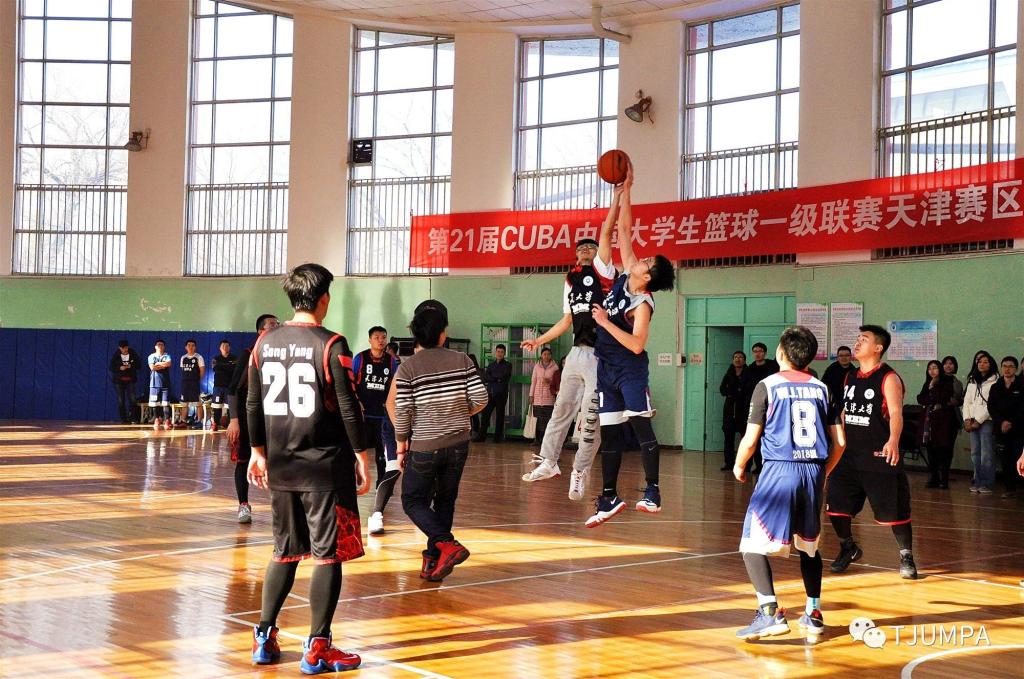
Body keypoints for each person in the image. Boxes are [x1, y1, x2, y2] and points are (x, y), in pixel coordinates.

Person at [246, 263, 371, 674]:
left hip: (281, 466)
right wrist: (362, 454)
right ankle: (317, 647)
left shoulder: (264, 343)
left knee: (284, 552)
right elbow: (349, 406)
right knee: (326, 555)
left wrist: (258, 452)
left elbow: (252, 403)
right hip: (324, 469)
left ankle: (264, 638)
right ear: (324, 299)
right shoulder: (332, 344)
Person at [732, 326, 845, 641]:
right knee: (809, 546)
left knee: (751, 545)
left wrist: (739, 465)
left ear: (780, 353)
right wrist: (824, 471)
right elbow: (840, 441)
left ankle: (769, 612)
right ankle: (813, 613)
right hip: (813, 472)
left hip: (779, 470)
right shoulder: (823, 388)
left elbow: (751, 438)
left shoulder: (767, 385)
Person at [587, 165, 676, 527]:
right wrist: (625, 192)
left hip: (630, 370)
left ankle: (653, 491)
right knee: (609, 434)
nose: (642, 258)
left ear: (649, 277)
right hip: (606, 367)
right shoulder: (626, 274)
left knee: (640, 428)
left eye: (648, 262)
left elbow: (638, 345)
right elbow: (623, 229)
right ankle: (609, 496)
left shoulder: (643, 304)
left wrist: (605, 323)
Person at [519, 202, 617, 499]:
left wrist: (617, 198)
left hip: (600, 355)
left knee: (590, 418)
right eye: (581, 248)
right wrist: (539, 341)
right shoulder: (570, 280)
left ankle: (580, 471)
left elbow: (607, 233)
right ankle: (549, 462)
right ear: (575, 255)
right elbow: (566, 320)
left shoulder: (603, 272)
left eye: (591, 247)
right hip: (576, 354)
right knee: (560, 411)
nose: (586, 249)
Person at [388, 300, 488, 582]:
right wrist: (460, 413)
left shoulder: (407, 367)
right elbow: (481, 398)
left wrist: (400, 445)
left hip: (425, 445)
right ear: (443, 334)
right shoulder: (462, 360)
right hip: (459, 444)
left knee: (412, 500)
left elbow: (403, 411)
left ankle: (446, 544)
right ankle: (432, 560)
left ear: (415, 336)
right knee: (445, 500)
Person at [826, 324, 917, 580]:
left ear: (878, 347)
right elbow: (845, 412)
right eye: (857, 338)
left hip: (878, 456)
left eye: (863, 339)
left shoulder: (889, 377)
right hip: (849, 456)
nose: (857, 343)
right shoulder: (850, 377)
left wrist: (893, 440)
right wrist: (835, 440)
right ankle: (848, 547)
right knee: (835, 507)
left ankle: (906, 556)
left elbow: (896, 413)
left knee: (895, 512)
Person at [226, 313, 279, 523]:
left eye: (278, 324)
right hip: (248, 418)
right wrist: (233, 420)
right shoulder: (248, 354)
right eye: (272, 324)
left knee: (278, 463)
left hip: (273, 418)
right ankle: (243, 505)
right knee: (243, 461)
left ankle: (282, 507)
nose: (277, 326)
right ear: (260, 331)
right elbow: (233, 389)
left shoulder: (281, 354)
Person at [352, 325, 400, 535]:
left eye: (383, 337)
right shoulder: (360, 358)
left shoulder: (392, 361)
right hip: (364, 415)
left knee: (383, 458)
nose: (381, 340)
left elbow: (396, 387)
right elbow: (351, 383)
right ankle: (352, 486)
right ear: (370, 340)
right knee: (356, 452)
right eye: (377, 337)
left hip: (383, 416)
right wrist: (357, 402)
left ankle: (381, 494)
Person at [916, 360, 958, 489]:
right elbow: (920, 398)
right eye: (929, 369)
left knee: (944, 450)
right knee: (931, 449)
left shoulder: (946, 382)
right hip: (930, 421)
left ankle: (944, 479)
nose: (932, 371)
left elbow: (941, 398)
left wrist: (933, 388)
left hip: (944, 422)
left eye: (935, 368)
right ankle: (933, 477)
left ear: (940, 369)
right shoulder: (927, 383)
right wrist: (930, 388)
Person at [962, 351, 998, 494]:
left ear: (991, 364)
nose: (982, 364)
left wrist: (979, 420)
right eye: (980, 362)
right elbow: (967, 401)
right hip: (972, 421)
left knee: (986, 453)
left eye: (985, 362)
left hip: (987, 421)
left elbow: (992, 404)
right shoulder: (972, 381)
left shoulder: (996, 381)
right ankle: (977, 481)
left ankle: (987, 483)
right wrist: (967, 419)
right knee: (975, 453)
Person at [743, 342, 781, 474]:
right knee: (755, 436)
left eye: (760, 351)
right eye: (755, 351)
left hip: (771, 404)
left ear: (764, 353)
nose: (757, 354)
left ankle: (768, 465)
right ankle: (756, 465)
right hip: (755, 404)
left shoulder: (772, 366)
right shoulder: (749, 369)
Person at [987, 356, 1023, 499]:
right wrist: (1001, 422)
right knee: (1006, 459)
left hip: (1019, 428)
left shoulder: (1022, 385)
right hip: (1001, 428)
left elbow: (1022, 408)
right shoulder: (996, 386)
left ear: (1016, 369)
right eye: (1005, 366)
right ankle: (1009, 488)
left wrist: (1011, 422)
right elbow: (991, 407)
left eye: (1011, 366)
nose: (1007, 369)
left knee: (1019, 457)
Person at [475, 344, 512, 443]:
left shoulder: (508, 365)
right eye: (498, 351)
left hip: (501, 394)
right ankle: (481, 437)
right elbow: (486, 377)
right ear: (495, 353)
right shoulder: (491, 365)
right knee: (485, 415)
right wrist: (497, 379)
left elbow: (504, 377)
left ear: (504, 353)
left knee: (500, 416)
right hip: (491, 393)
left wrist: (493, 378)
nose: (500, 354)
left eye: (502, 352)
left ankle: (497, 438)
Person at [719, 350, 747, 472]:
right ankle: (728, 462)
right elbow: (722, 389)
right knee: (728, 438)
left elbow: (749, 389)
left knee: (745, 438)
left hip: (743, 409)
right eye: (735, 357)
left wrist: (740, 393)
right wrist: (731, 392)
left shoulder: (748, 373)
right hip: (730, 410)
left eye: (740, 357)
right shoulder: (728, 373)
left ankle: (745, 464)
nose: (737, 359)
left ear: (744, 360)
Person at [528, 347, 560, 447]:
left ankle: (546, 441)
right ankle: (537, 440)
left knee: (547, 420)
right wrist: (531, 395)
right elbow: (533, 381)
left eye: (548, 354)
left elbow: (557, 382)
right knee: (537, 419)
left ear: (551, 356)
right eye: (544, 354)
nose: (546, 356)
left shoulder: (555, 367)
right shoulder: (537, 366)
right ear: (541, 356)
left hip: (549, 397)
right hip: (537, 397)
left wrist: (550, 381)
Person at [109, 339, 142, 424]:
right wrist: (120, 368)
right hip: (119, 381)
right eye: (123, 348)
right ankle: (124, 419)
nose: (125, 350)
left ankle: (133, 417)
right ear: (119, 348)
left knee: (133, 399)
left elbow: (139, 365)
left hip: (130, 380)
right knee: (121, 400)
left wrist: (131, 366)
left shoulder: (132, 353)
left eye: (126, 348)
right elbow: (111, 367)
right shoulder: (116, 355)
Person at [208, 339, 237, 431]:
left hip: (229, 387)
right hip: (218, 387)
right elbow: (215, 368)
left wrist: (222, 366)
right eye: (223, 346)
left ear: (229, 347)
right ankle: (215, 424)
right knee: (217, 407)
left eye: (227, 346)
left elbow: (234, 369)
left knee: (230, 407)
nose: (225, 347)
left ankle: (230, 425)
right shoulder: (216, 358)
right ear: (220, 348)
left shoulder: (234, 358)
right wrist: (228, 366)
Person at [178, 339, 205, 428]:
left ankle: (199, 421)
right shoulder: (183, 358)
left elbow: (202, 370)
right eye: (189, 345)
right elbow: (183, 370)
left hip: (194, 383)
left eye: (193, 345)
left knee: (198, 403)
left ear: (195, 347)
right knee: (184, 403)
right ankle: (183, 421)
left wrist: (196, 380)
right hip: (185, 383)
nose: (191, 347)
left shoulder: (199, 357)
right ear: (185, 347)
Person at [147, 340, 172, 431]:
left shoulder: (167, 355)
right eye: (158, 344)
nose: (160, 346)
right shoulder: (151, 356)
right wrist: (162, 365)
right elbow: (152, 367)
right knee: (155, 403)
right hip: (154, 384)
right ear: (155, 346)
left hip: (165, 383)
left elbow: (169, 363)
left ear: (164, 346)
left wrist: (158, 364)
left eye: (162, 344)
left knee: (166, 403)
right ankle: (156, 419)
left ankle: (167, 420)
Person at [822, 345, 856, 412]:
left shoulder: (854, 371)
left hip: (848, 405)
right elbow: (824, 386)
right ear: (837, 357)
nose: (844, 358)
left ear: (851, 357)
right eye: (841, 356)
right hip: (833, 405)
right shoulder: (831, 370)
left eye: (847, 355)